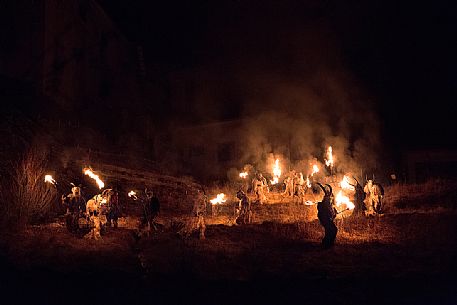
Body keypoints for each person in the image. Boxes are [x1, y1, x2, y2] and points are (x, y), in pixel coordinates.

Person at [316, 183, 338, 249]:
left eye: (330, 198)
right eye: (328, 198)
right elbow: (324, 214)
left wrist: (334, 214)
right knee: (332, 230)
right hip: (325, 220)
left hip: (327, 220)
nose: (330, 199)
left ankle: (328, 243)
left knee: (331, 230)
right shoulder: (322, 205)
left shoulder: (329, 204)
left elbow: (332, 214)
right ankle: (328, 243)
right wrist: (331, 216)